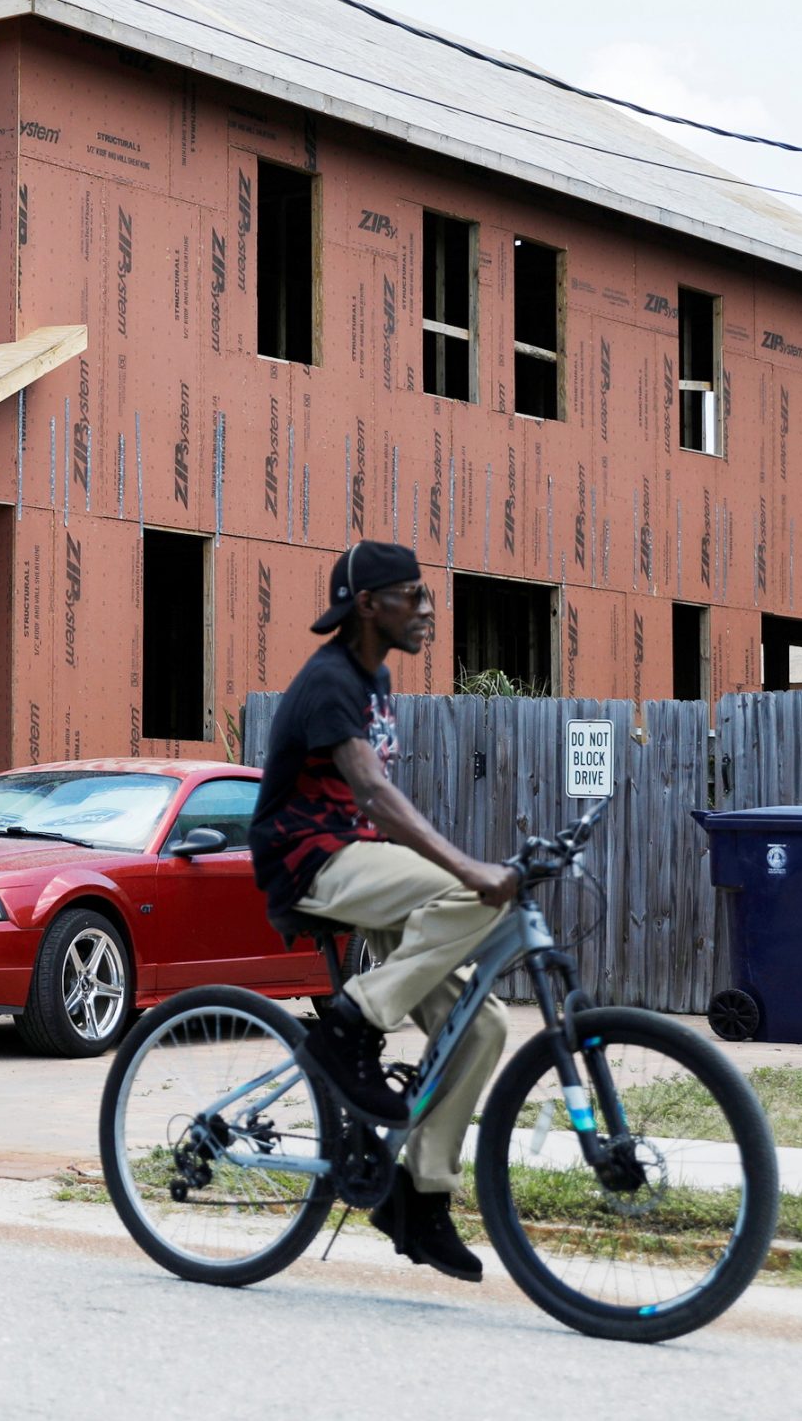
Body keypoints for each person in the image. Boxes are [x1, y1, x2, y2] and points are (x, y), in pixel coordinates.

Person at [246, 540, 517, 1282]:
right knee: (462, 890)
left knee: (483, 1027)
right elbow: (371, 794)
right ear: (369, 605)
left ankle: (418, 1197)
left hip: (359, 863)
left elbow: (379, 810)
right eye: (415, 595)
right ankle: (350, 1022)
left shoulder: (377, 677)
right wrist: (466, 865)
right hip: (311, 860)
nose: (429, 609)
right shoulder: (332, 680)